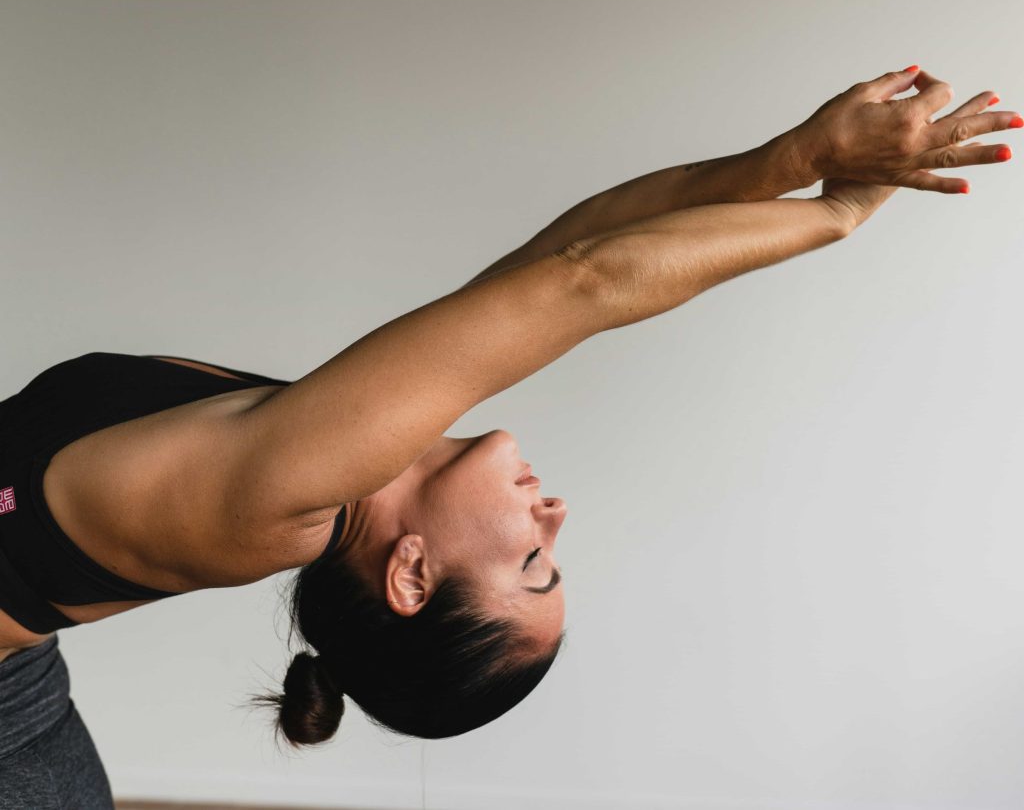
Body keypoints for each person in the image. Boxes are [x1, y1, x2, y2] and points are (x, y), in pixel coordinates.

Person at [0, 66, 1017, 803]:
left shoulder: (281, 497)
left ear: (409, 577)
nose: (556, 515)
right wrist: (790, 161)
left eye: (532, 561)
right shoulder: (351, 450)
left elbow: (589, 283)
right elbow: (570, 252)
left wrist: (839, 212)